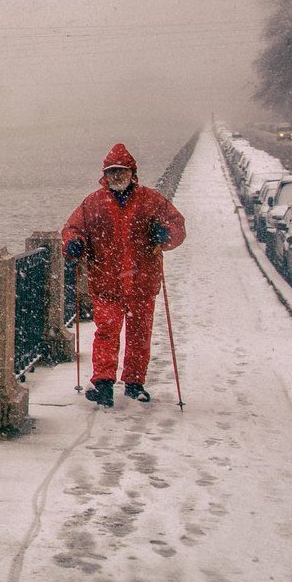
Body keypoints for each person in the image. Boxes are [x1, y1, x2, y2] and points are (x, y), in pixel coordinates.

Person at [62, 143, 186, 407]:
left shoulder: (150, 200)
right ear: (105, 175)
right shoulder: (94, 203)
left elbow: (177, 225)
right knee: (107, 332)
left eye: (121, 171)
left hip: (141, 281)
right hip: (106, 281)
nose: (116, 176)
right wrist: (74, 242)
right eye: (112, 171)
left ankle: (134, 382)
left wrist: (165, 235)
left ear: (132, 173)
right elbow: (73, 228)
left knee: (139, 334)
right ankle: (104, 383)